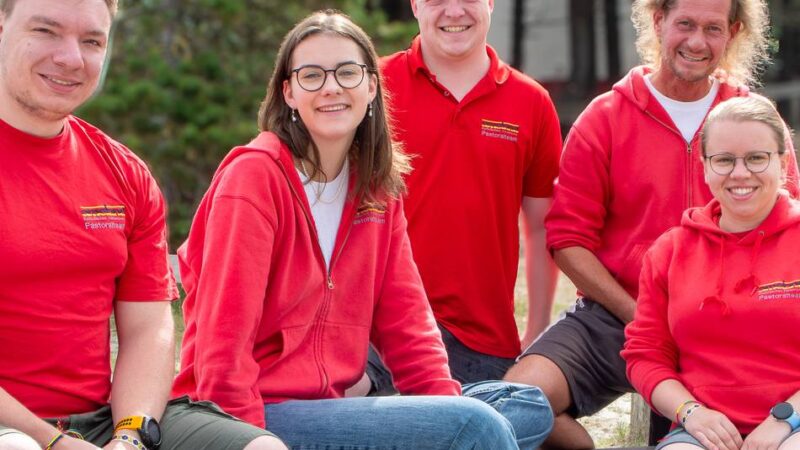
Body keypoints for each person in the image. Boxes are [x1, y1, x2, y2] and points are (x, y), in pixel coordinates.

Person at [171, 10, 553, 450]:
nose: (331, 87)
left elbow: (408, 326)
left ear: (372, 86)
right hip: (248, 418)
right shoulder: (255, 179)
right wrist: (242, 440)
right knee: (479, 426)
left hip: (329, 405)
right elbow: (223, 347)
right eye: (311, 75)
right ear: (288, 93)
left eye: (347, 73)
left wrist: (439, 415)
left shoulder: (376, 189)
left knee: (520, 407)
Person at [503, 0, 800, 448]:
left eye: (713, 28)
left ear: (732, 32)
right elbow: (567, 238)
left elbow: (785, 217)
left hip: (729, 317)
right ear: (659, 21)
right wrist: (637, 313)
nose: (697, 41)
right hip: (617, 313)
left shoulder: (751, 117)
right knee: (516, 402)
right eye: (685, 24)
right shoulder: (604, 117)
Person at [0, 0, 286, 450]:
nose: (71, 58)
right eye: (46, 31)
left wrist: (130, 435)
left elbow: (149, 328)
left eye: (91, 41)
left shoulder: (124, 173)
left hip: (101, 421)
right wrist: (52, 442)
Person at [364, 0, 562, 391]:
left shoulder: (532, 102)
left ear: (490, 3)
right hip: (376, 336)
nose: (454, 11)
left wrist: (537, 329)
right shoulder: (372, 87)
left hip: (485, 343)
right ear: (416, 5)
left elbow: (542, 229)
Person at [623, 96, 800, 450]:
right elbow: (646, 356)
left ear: (782, 165)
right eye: (723, 160)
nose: (740, 173)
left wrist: (785, 420)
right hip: (701, 431)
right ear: (704, 166)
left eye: (756, 158)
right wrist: (691, 413)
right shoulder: (670, 251)